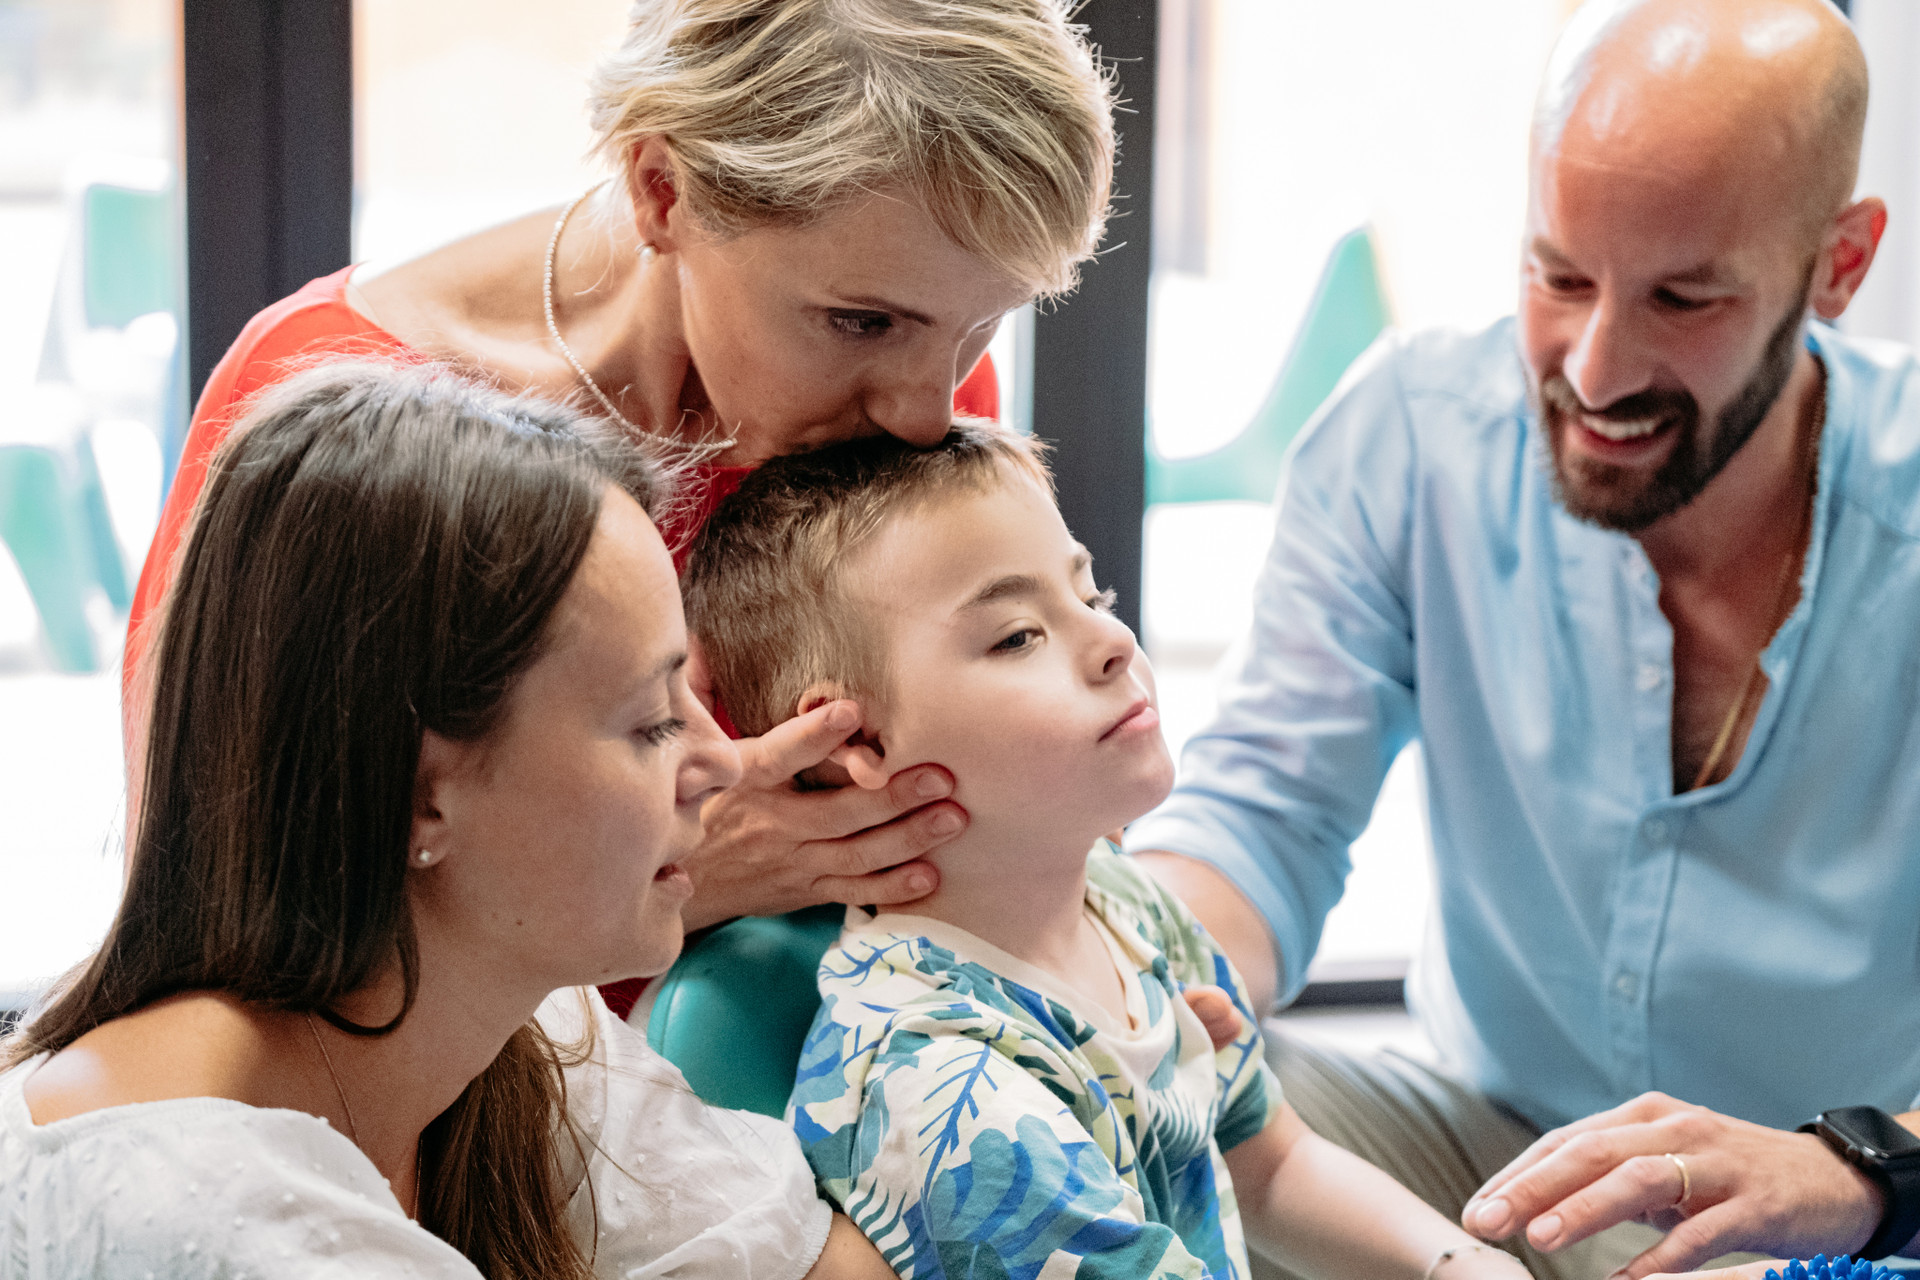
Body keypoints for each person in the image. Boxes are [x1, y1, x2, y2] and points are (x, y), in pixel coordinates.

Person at [1122, 0, 1920, 1276]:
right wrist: (1112, 982)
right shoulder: (1411, 432)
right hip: (1488, 1153)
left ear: (1840, 264)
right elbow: (1262, 813)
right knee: (1139, 1122)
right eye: (1559, 274)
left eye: (1684, 296)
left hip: (1829, 1202)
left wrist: (1856, 1167)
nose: (1597, 371)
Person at [124, 0, 1119, 997]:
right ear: (662, 188)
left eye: (985, 322)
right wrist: (664, 876)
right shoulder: (336, 408)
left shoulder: (904, 375)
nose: (927, 411)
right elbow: (216, 938)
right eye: (861, 321)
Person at [0, 362, 897, 1278]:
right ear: (424, 794)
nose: (717, 764)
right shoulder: (195, 1208)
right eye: (652, 720)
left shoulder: (520, 1040)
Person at [678, 423, 1540, 1280]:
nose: (1113, 643)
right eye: (1018, 635)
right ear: (858, 743)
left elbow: (1271, 1162)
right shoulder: (945, 1086)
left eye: (1091, 599)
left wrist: (1455, 1261)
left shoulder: (1128, 907)